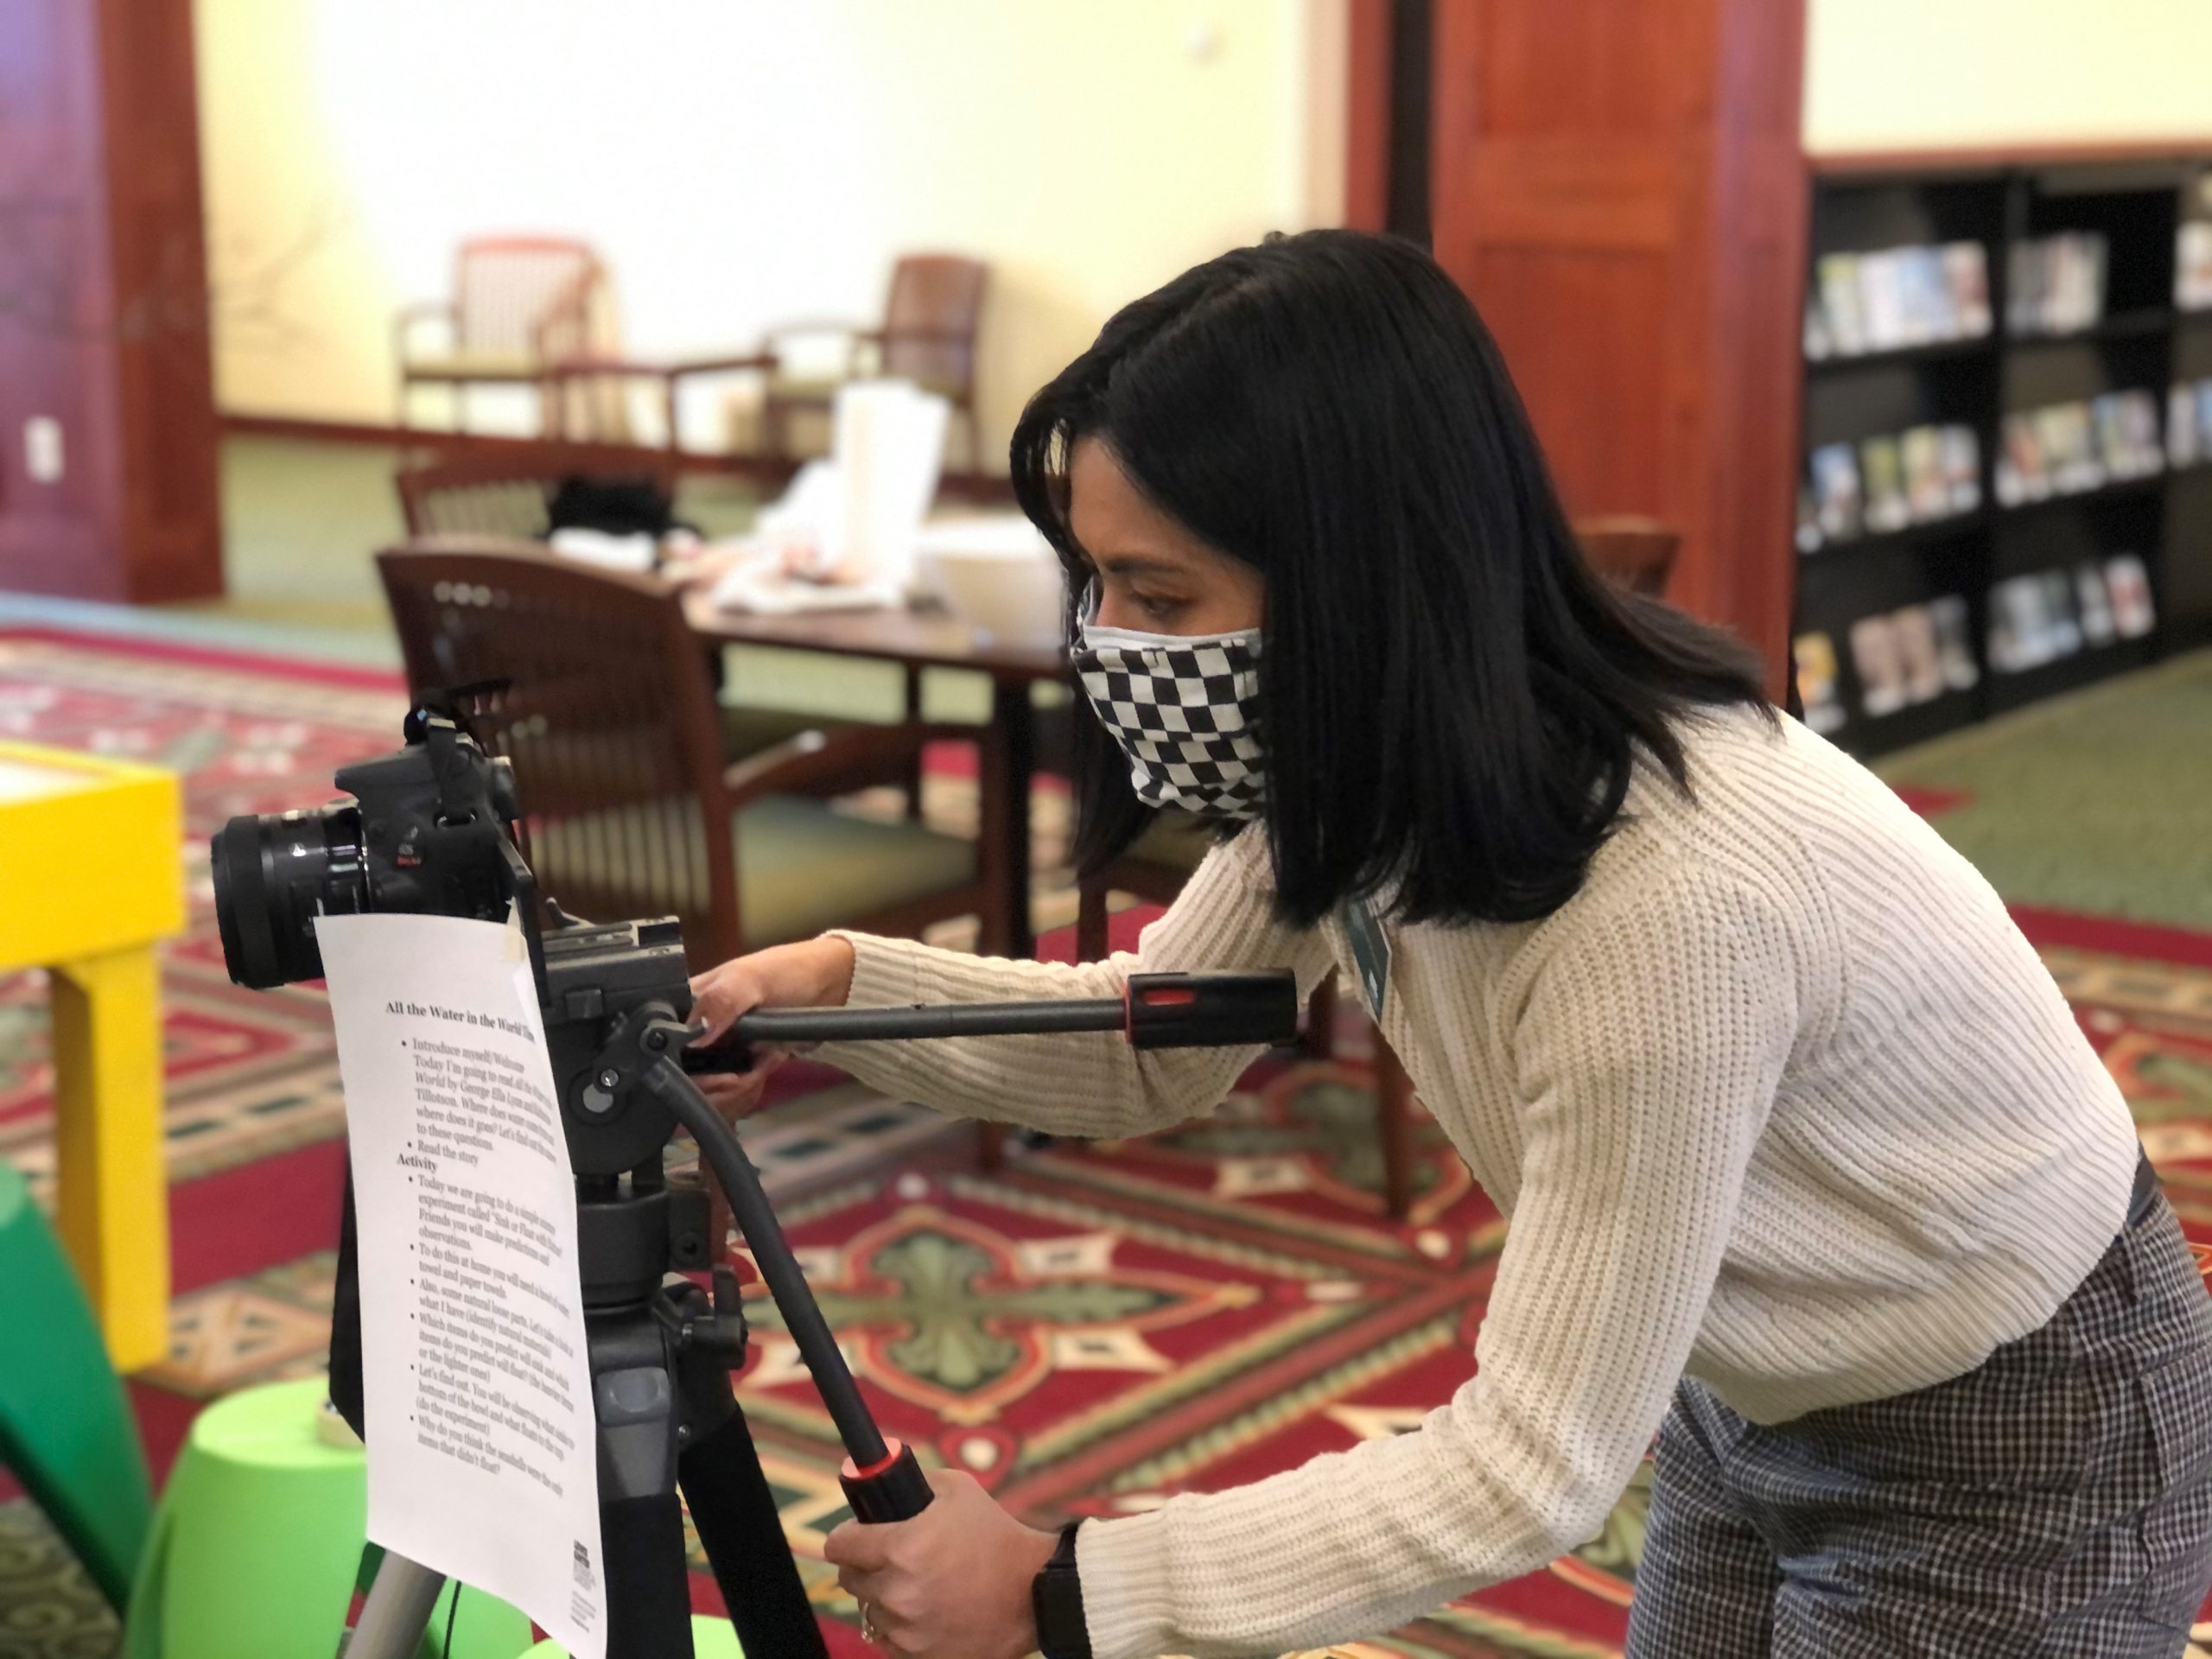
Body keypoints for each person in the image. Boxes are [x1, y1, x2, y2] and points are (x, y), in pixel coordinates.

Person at [689, 230, 2212, 1659]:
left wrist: (1062, 1589)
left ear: (1358, 584)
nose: (1111, 643)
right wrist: (834, 994)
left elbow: (1531, 1465)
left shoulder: (1670, 905)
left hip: (2021, 1427)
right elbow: (1154, 1040)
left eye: (1159, 595)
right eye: (1098, 587)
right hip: (1755, 1369)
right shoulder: (1365, 758)